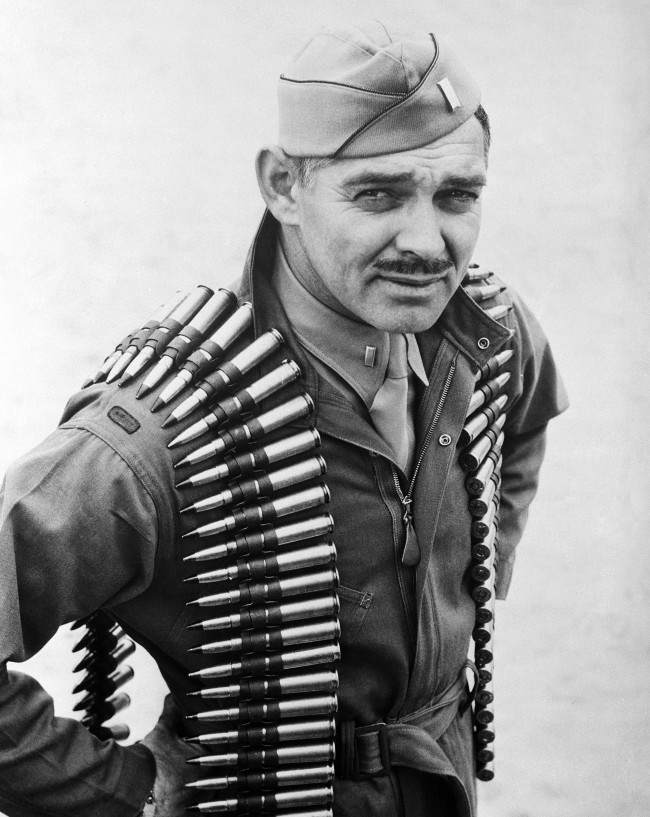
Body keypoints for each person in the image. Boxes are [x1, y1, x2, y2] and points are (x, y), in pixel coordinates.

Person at [0, 21, 567, 817]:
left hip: (440, 773)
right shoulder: (164, 430)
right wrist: (117, 793)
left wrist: (477, 571)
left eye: (457, 196)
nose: (427, 241)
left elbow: (526, 415)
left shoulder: (482, 329)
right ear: (283, 186)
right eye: (378, 193)